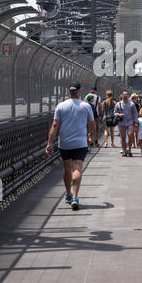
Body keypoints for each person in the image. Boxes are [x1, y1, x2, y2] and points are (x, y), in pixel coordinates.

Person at [45, 81, 95, 210]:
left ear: (69, 91)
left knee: (67, 168)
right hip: (80, 143)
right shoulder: (86, 106)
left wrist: (50, 143)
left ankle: (68, 194)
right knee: (77, 168)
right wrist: (91, 136)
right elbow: (92, 124)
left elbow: (55, 125)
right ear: (79, 91)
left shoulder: (61, 106)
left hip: (65, 143)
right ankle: (75, 197)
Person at [114, 90, 139, 157]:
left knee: (130, 134)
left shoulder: (131, 104)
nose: (125, 96)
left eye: (126, 95)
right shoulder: (118, 104)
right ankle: (124, 150)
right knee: (123, 137)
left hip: (130, 122)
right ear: (121, 96)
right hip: (121, 123)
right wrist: (118, 114)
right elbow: (114, 113)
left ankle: (129, 150)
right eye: (124, 95)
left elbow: (135, 113)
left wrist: (136, 122)